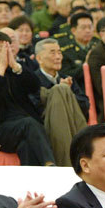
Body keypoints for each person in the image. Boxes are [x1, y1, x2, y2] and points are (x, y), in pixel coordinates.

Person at [0, 30, 55, 166]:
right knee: (29, 124)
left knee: (26, 145)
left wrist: (16, 67)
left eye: (7, 49)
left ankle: (33, 181)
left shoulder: (15, 71)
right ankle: (49, 164)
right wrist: (0, 69)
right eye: (0, 50)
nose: (5, 54)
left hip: (22, 125)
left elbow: (35, 86)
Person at [32, 38, 89, 166]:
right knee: (60, 90)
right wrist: (57, 93)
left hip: (72, 123)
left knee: (63, 89)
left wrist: (68, 93)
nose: (58, 57)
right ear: (39, 58)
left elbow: (85, 105)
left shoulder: (66, 78)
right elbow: (34, 109)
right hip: (46, 127)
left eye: (59, 53)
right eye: (52, 53)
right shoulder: (33, 80)